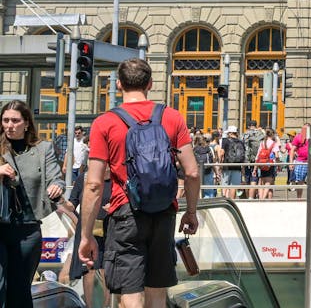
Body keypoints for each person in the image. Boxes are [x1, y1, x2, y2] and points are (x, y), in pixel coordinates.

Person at [78, 57, 201, 308]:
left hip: (125, 214)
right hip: (164, 211)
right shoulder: (172, 117)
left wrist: (86, 235)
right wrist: (190, 212)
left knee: (130, 293)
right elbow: (192, 173)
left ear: (119, 85)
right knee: (157, 293)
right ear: (151, 84)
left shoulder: (105, 122)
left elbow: (93, 185)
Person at [0, 99, 66, 308]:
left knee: (19, 290)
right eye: (5, 120)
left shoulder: (43, 149)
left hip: (27, 229)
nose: (9, 125)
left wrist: (57, 186)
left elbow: (56, 177)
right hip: (0, 227)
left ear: (26, 123)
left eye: (15, 121)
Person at [65, 166, 113, 307]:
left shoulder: (116, 179)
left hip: (109, 227)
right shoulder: (83, 179)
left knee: (106, 269)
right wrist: (59, 200)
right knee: (88, 269)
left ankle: (105, 307)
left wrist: (114, 206)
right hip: (86, 229)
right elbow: (71, 204)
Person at [255, 128, 280, 200]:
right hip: (270, 165)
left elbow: (257, 156)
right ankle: (263, 198)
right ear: (272, 135)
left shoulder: (262, 143)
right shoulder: (273, 143)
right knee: (268, 182)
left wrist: (255, 168)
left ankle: (260, 198)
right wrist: (278, 165)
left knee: (261, 182)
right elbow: (277, 155)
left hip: (261, 164)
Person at [221, 125, 245, 199]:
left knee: (225, 184)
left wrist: (220, 163)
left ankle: (224, 200)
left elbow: (222, 153)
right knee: (233, 186)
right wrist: (243, 168)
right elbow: (243, 156)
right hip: (237, 166)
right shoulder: (241, 142)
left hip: (227, 166)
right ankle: (232, 201)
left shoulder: (225, 140)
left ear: (230, 133)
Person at [289, 124, 311, 197]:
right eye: (304, 129)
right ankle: (299, 198)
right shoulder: (298, 137)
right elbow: (292, 150)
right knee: (300, 182)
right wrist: (291, 163)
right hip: (300, 162)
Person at [243, 120, 265, 187]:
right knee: (256, 177)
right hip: (258, 159)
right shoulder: (261, 133)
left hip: (247, 159)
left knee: (247, 178)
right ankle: (255, 195)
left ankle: (249, 195)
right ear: (256, 125)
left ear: (249, 126)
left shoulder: (245, 134)